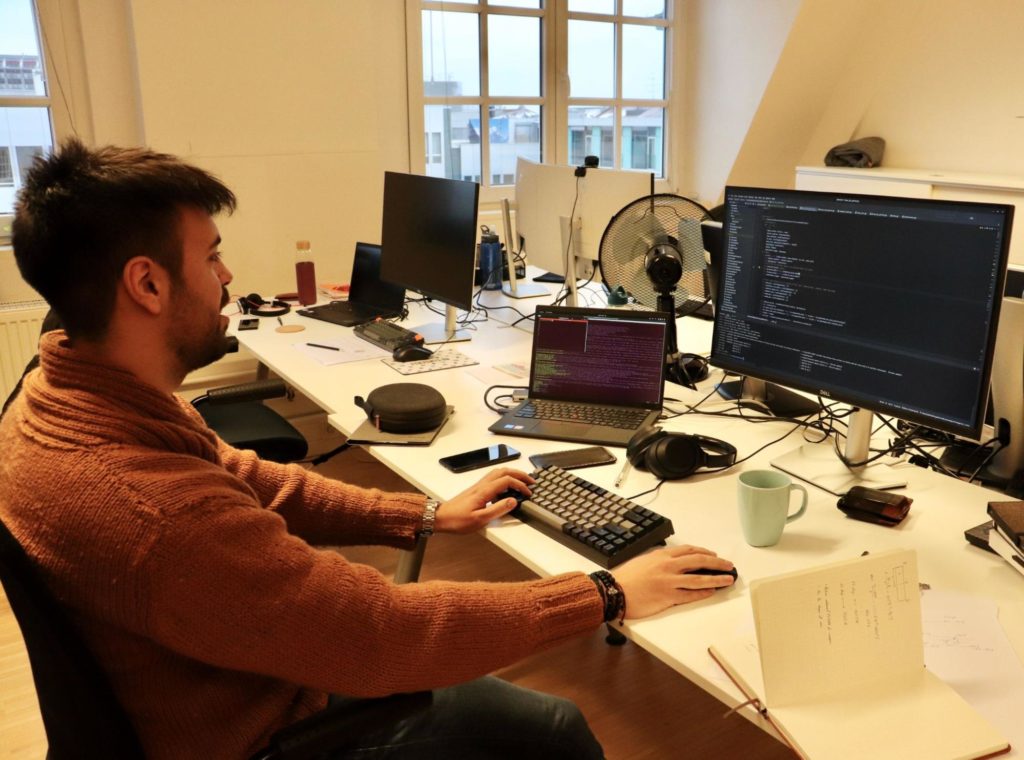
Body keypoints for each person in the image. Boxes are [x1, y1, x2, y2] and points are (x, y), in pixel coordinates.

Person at [0, 138, 736, 760]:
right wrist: (604, 595)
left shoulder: (58, 396)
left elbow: (246, 479)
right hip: (263, 731)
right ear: (147, 283)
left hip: (214, 679)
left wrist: (421, 517)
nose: (227, 278)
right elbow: (377, 634)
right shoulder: (151, 511)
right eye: (212, 258)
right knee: (556, 729)